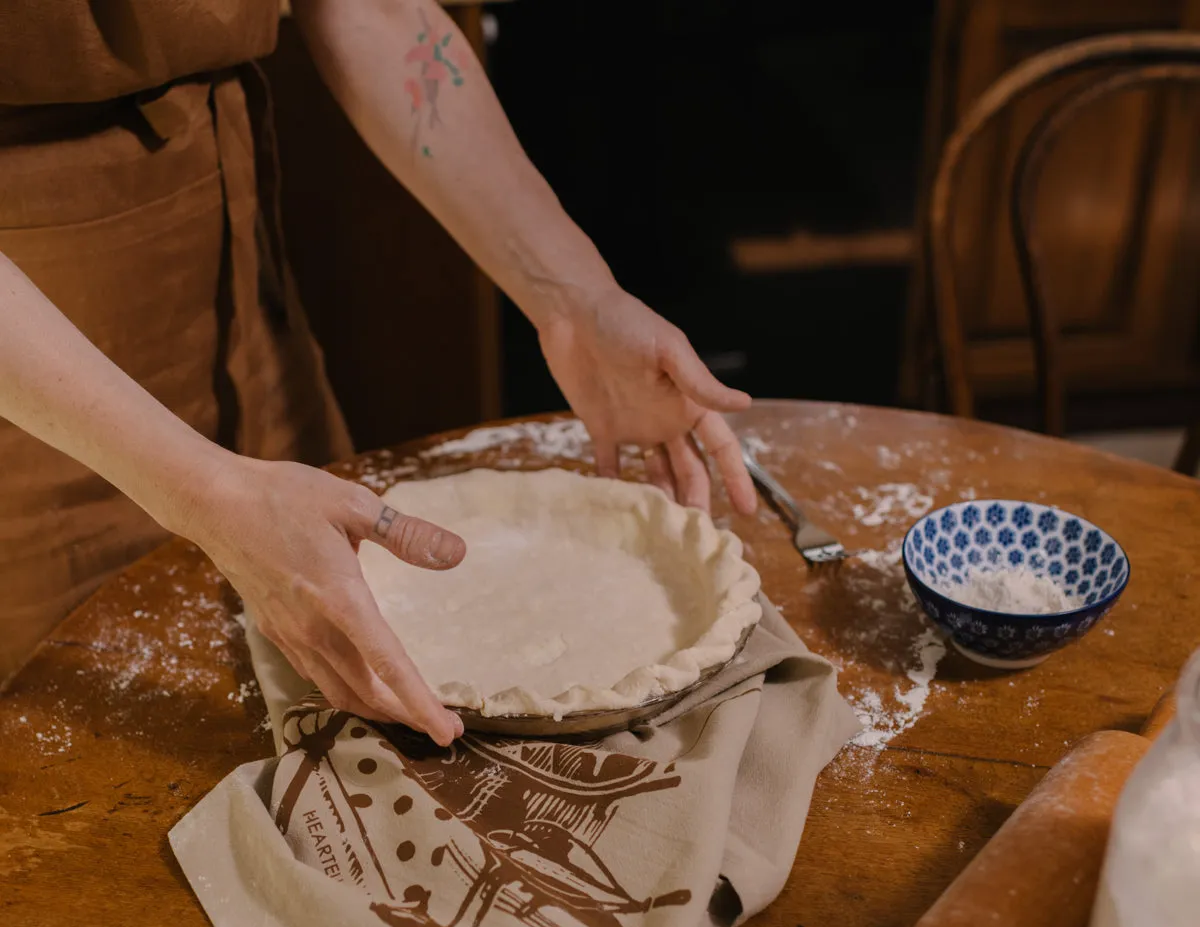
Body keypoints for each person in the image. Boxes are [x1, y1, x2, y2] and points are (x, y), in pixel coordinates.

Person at [0, 0, 756, 747]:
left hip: (234, 273)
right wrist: (211, 492)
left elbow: (376, 9)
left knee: (329, 666)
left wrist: (573, 297)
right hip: (35, 389)